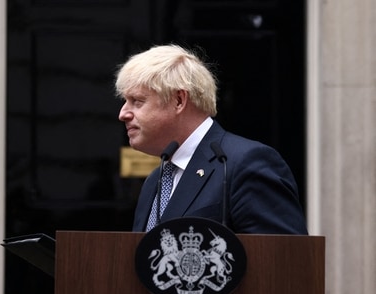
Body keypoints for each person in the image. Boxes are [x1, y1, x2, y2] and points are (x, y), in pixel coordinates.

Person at [115, 44, 308, 234]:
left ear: (179, 100)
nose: (123, 113)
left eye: (137, 101)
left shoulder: (245, 164)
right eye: (125, 102)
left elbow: (285, 259)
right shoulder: (155, 181)